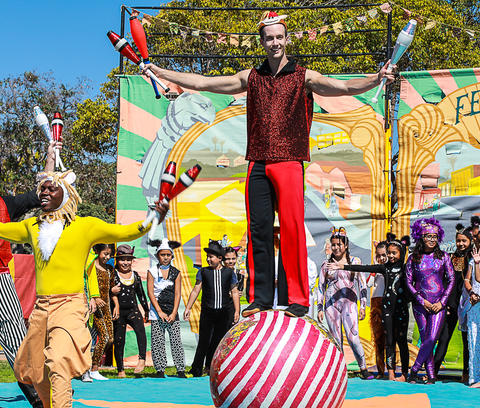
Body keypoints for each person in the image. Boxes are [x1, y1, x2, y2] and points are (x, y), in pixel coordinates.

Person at [143, 10, 394, 319]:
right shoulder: (251, 77)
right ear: (261, 42)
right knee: (259, 230)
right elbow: (204, 82)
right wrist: (162, 72)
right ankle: (260, 297)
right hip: (258, 163)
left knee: (291, 230)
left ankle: (297, 298)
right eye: (269, 38)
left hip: (289, 161)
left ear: (286, 40)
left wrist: (376, 79)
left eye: (279, 37)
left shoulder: (305, 76)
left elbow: (342, 88)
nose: (275, 42)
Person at [0, 168, 167, 408]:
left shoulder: (85, 226)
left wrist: (153, 218)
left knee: (58, 361)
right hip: (42, 308)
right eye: (41, 188)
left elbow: (125, 231)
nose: (43, 192)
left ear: (66, 194)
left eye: (51, 188)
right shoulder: (31, 227)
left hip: (70, 305)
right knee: (30, 368)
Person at [0, 140, 58, 408]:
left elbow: (40, 195)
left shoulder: (6, 204)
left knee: (19, 345)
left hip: (1, 282)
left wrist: (50, 160)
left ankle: (39, 400)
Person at [328, 234, 411, 381]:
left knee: (401, 341)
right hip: (385, 307)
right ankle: (389, 372)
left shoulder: (405, 269)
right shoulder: (384, 268)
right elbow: (364, 268)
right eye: (388, 253)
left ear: (401, 253)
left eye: (392, 253)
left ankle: (404, 373)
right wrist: (343, 266)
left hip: (401, 308)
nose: (389, 256)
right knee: (387, 340)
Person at [317, 227, 372, 380]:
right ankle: (340, 371)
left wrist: (362, 305)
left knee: (353, 337)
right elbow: (321, 287)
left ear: (346, 245)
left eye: (339, 244)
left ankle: (363, 368)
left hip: (350, 303)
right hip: (331, 305)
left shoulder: (355, 261)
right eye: (333, 244)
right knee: (336, 339)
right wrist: (320, 308)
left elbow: (362, 284)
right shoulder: (325, 264)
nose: (336, 247)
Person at [406, 218, 455, 384]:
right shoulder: (414, 258)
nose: (432, 240)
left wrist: (442, 302)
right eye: (428, 236)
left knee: (432, 338)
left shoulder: (444, 257)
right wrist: (421, 300)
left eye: (435, 237)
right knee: (426, 338)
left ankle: (414, 370)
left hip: (439, 305)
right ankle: (431, 375)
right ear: (421, 237)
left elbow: (452, 279)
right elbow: (408, 282)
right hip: (420, 305)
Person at [184, 240, 240, 377]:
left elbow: (234, 292)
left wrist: (237, 311)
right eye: (207, 257)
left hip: (223, 312)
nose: (208, 259)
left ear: (220, 258)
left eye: (211, 257)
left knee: (217, 341)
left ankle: (210, 368)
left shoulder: (228, 273)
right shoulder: (203, 272)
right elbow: (196, 290)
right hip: (207, 312)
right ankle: (196, 369)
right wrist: (188, 307)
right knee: (204, 341)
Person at [434, 224, 472, 380]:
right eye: (458, 241)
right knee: (443, 338)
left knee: (468, 341)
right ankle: (433, 371)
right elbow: (448, 282)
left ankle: (467, 373)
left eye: (464, 241)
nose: (461, 244)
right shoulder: (451, 257)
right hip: (451, 304)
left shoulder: (473, 258)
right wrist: (447, 303)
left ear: (470, 241)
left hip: (468, 305)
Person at [147, 239, 186, 378]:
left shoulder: (176, 273)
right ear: (158, 256)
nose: (165, 257)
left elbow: (177, 293)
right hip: (157, 313)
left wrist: (174, 312)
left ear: (172, 256)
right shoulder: (152, 271)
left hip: (172, 313)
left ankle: (180, 369)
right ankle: (160, 369)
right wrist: (159, 311)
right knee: (158, 341)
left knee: (176, 340)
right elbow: (151, 292)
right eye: (162, 255)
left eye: (168, 255)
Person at [111, 244, 149, 377]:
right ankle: (120, 369)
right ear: (117, 260)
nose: (125, 263)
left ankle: (142, 359)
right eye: (122, 259)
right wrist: (111, 291)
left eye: (128, 260)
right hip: (118, 313)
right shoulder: (113, 275)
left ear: (132, 261)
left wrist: (146, 310)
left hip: (133, 310)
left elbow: (141, 294)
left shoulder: (135, 275)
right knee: (119, 340)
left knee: (141, 333)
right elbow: (104, 291)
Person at [85, 243, 115, 381]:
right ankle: (93, 368)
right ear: (97, 252)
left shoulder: (109, 269)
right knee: (103, 337)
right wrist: (95, 299)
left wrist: (117, 306)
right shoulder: (91, 266)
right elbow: (88, 285)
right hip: (95, 308)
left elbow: (112, 289)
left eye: (109, 254)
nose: (107, 257)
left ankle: (92, 364)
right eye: (105, 254)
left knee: (110, 339)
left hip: (107, 307)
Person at [366, 241, 388, 377]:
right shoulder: (376, 269)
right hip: (376, 303)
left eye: (383, 255)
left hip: (389, 304)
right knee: (378, 339)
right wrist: (375, 268)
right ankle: (380, 370)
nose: (381, 258)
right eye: (378, 256)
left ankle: (391, 370)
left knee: (391, 339)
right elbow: (368, 284)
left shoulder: (392, 268)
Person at [464, 250, 480, 387]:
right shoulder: (473, 261)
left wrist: (477, 263)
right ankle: (475, 377)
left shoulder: (476, 261)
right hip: (475, 305)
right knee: (474, 340)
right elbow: (468, 280)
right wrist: (472, 292)